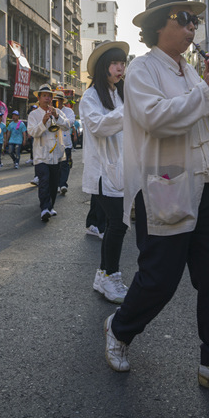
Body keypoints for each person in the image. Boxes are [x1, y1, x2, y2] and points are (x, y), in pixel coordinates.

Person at [102, 0, 209, 399]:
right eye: (184, 19)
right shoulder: (141, 70)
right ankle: (119, 328)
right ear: (159, 25)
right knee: (159, 281)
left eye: (194, 20)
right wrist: (206, 91)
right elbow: (157, 119)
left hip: (206, 183)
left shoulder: (189, 70)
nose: (192, 27)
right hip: (165, 188)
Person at [79, 40, 129, 303]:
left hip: (120, 169)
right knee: (117, 224)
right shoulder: (91, 96)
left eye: (123, 63)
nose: (120, 68)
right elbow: (98, 126)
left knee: (117, 224)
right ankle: (110, 276)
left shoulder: (118, 94)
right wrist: (128, 111)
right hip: (102, 172)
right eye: (115, 63)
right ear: (103, 67)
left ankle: (104, 275)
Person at [29, 84, 68, 222]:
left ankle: (50, 206)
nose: (47, 98)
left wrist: (57, 117)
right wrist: (43, 122)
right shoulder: (33, 114)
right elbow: (32, 132)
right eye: (44, 96)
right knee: (44, 180)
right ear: (39, 98)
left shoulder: (57, 112)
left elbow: (67, 126)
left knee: (53, 183)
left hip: (56, 154)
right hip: (41, 154)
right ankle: (44, 208)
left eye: (49, 96)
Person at [57, 92, 76, 196]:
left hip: (65, 143)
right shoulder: (50, 110)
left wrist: (58, 118)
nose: (57, 102)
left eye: (59, 100)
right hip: (54, 144)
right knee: (56, 165)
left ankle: (63, 184)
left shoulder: (68, 111)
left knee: (64, 164)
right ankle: (57, 184)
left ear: (62, 101)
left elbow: (70, 122)